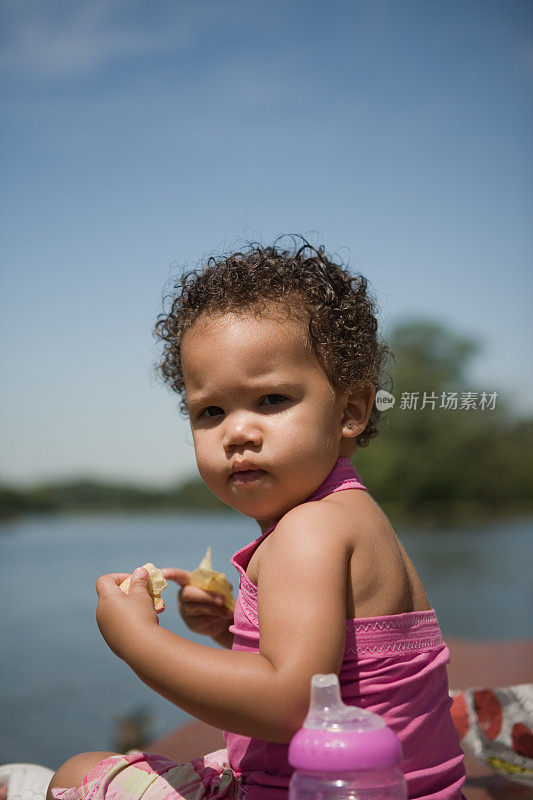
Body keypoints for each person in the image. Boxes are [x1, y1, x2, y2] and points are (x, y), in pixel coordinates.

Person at [45, 238, 466, 800]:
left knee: (79, 774)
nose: (237, 432)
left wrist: (138, 641)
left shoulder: (307, 532)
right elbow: (330, 676)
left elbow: (288, 705)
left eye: (270, 399)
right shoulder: (351, 514)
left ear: (351, 411)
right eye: (211, 411)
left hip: (325, 789)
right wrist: (230, 631)